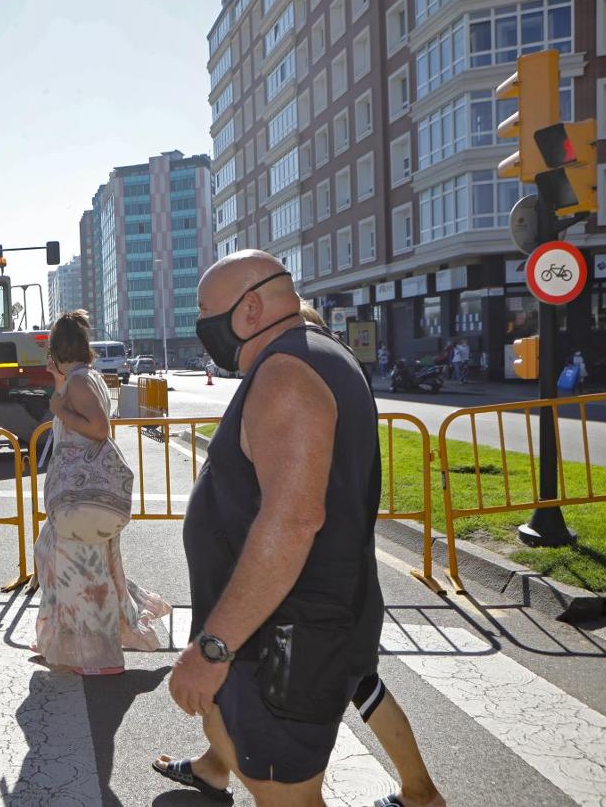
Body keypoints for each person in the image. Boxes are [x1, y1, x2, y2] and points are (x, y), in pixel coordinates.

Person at [160, 251, 441, 806]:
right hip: (297, 632)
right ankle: (215, 768)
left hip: (282, 642)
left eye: (204, 312)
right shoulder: (316, 355)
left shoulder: (286, 373)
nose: (201, 327)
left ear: (250, 308)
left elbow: (292, 523)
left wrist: (213, 649)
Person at [32, 309, 171, 675]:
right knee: (58, 561)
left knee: (79, 577)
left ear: (59, 347)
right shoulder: (81, 378)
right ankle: (64, 642)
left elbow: (98, 429)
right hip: (79, 498)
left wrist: (59, 408)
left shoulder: (78, 383)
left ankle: (94, 654)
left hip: (82, 497)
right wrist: (57, 385)